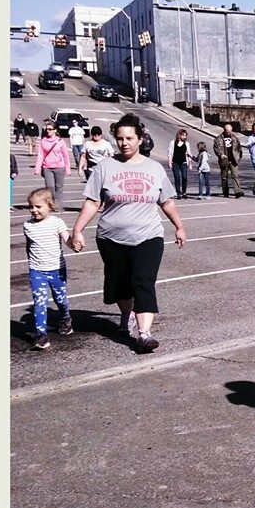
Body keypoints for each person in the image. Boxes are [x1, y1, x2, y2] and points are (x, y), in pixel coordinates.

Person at [68, 113, 186, 354]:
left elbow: (167, 202)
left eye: (130, 138)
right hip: (111, 238)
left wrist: (179, 226)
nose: (125, 143)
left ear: (140, 139)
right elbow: (92, 202)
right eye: (120, 138)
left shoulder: (154, 168)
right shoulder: (105, 167)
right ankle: (126, 314)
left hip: (148, 237)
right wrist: (77, 230)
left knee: (143, 282)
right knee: (119, 285)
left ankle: (144, 334)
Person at [23, 187, 73, 350]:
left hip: (56, 269)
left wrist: (74, 243)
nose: (34, 210)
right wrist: (31, 264)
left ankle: (66, 319)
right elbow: (29, 246)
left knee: (60, 300)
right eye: (31, 207)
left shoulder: (57, 222)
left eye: (38, 207)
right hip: (37, 271)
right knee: (40, 302)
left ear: (50, 206)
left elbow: (67, 240)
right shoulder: (28, 226)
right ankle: (41, 336)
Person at [34, 122, 72, 209]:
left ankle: (57, 206)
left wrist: (68, 169)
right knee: (49, 188)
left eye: (50, 129)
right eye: (46, 129)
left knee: (59, 188)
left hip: (59, 167)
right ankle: (51, 205)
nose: (48, 131)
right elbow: (40, 155)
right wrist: (37, 169)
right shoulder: (43, 141)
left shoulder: (60, 141)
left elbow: (66, 156)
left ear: (55, 130)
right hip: (47, 167)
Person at [212, 123, 244, 198]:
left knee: (235, 176)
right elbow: (216, 148)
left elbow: (239, 148)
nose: (229, 133)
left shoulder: (235, 138)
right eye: (227, 131)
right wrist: (220, 154)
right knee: (224, 177)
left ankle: (237, 192)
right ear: (224, 130)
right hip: (224, 161)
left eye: (230, 131)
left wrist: (238, 157)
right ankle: (225, 192)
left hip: (233, 160)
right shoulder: (218, 139)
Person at [167, 128, 192, 199]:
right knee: (177, 178)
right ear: (179, 135)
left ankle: (184, 192)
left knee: (184, 177)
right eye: (183, 135)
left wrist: (190, 163)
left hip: (184, 162)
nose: (185, 137)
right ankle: (178, 193)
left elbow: (188, 153)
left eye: (185, 135)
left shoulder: (187, 144)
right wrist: (169, 162)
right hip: (175, 163)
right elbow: (170, 153)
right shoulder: (173, 142)